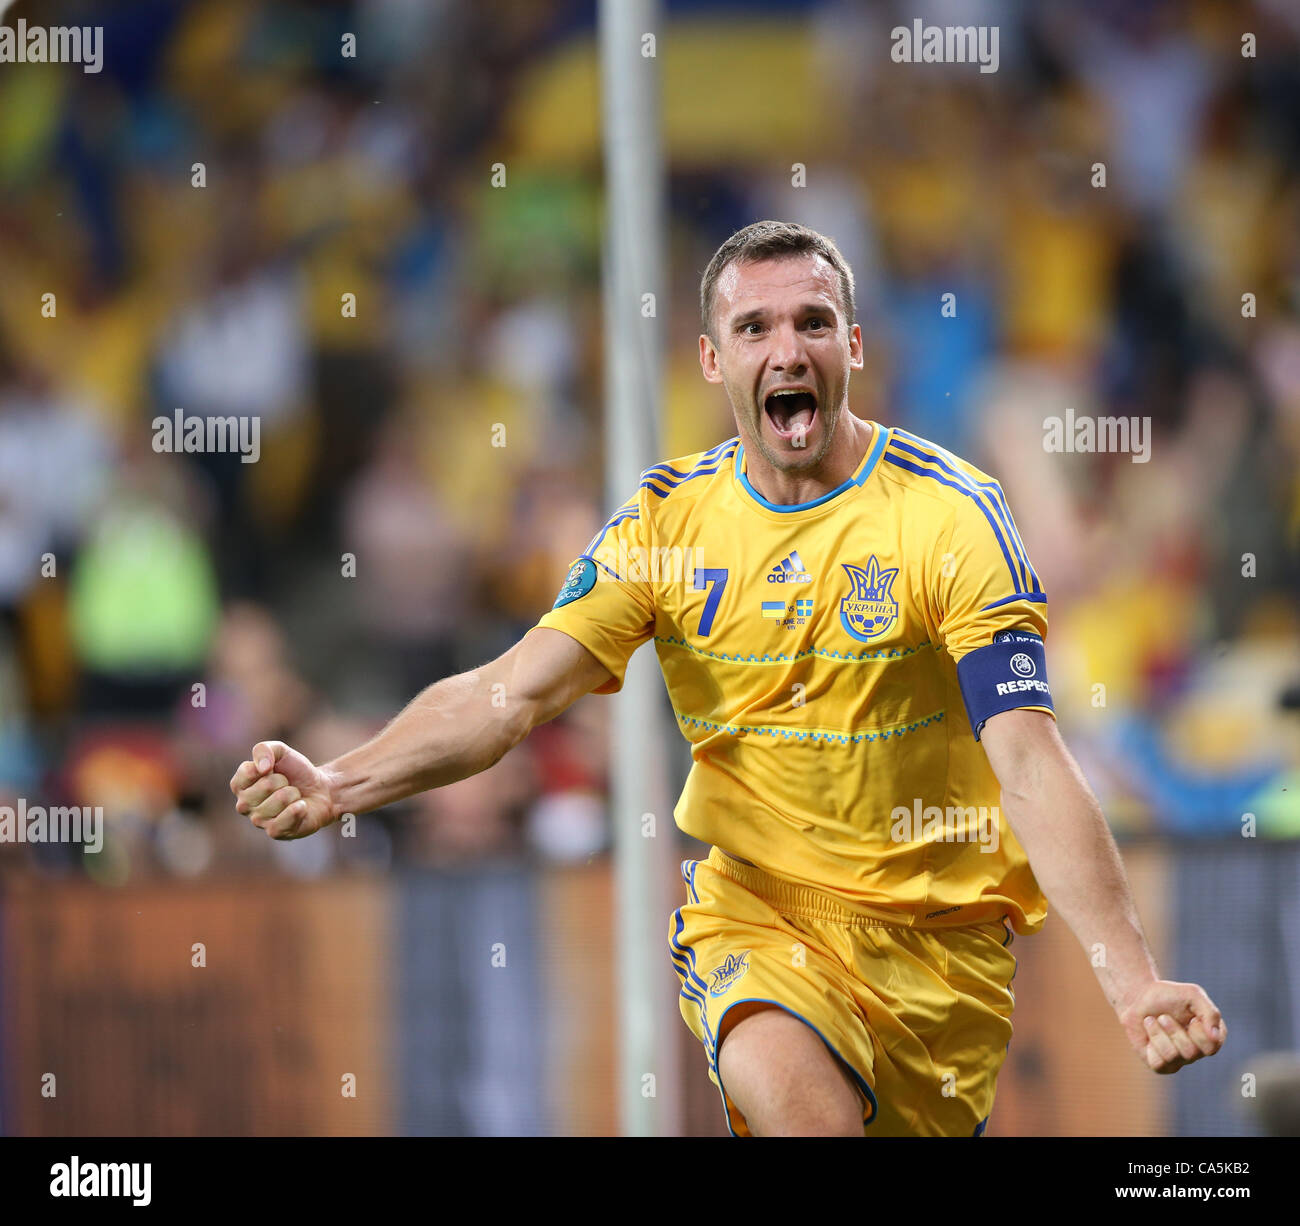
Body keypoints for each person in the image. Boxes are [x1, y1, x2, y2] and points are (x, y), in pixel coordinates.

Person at [230, 220, 1226, 1137]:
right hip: (759, 912)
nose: (785, 350)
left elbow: (1028, 759)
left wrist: (1131, 978)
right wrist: (340, 782)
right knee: (808, 1114)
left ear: (854, 346)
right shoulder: (666, 527)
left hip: (941, 952)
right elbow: (508, 694)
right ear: (713, 360)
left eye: (812, 322)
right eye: (753, 327)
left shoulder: (948, 516)